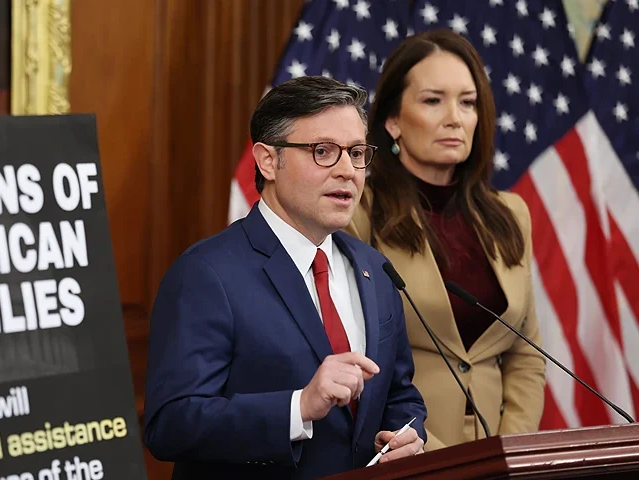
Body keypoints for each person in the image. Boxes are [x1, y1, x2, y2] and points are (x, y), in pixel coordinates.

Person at [143, 76, 427, 479]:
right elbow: (170, 424)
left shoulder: (375, 270)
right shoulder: (207, 274)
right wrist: (298, 407)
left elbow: (400, 393)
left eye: (358, 152)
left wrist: (407, 432)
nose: (348, 171)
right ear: (267, 161)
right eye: (323, 151)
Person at [345, 29, 547, 451]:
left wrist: (511, 454)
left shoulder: (511, 214)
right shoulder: (359, 213)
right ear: (393, 120)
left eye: (468, 102)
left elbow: (527, 356)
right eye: (433, 100)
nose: (455, 117)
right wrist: (432, 454)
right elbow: (356, 359)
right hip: (406, 451)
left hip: (502, 458)